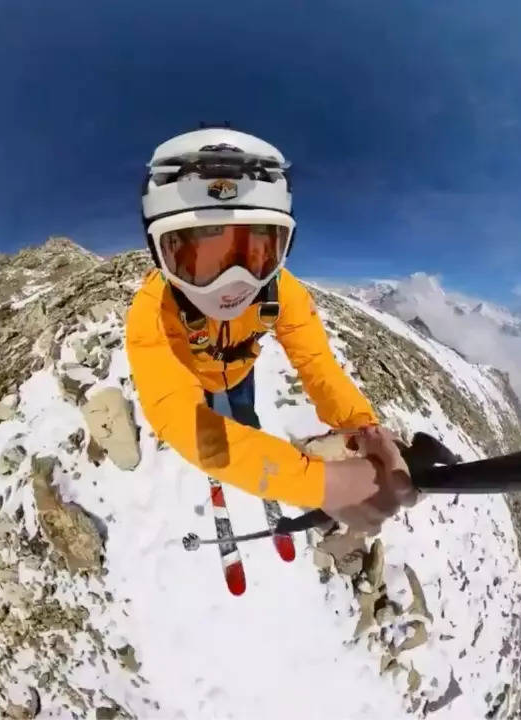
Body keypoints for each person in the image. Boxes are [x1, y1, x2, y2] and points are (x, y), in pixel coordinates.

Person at [124, 126, 416, 534]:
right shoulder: (152, 311)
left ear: (284, 250)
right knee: (212, 419)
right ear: (159, 255)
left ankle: (243, 445)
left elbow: (317, 365)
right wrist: (318, 483)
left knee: (242, 414)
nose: (234, 282)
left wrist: (363, 427)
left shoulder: (283, 293)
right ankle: (237, 450)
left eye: (256, 252)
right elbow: (181, 416)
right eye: (202, 256)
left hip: (239, 373)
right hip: (203, 378)